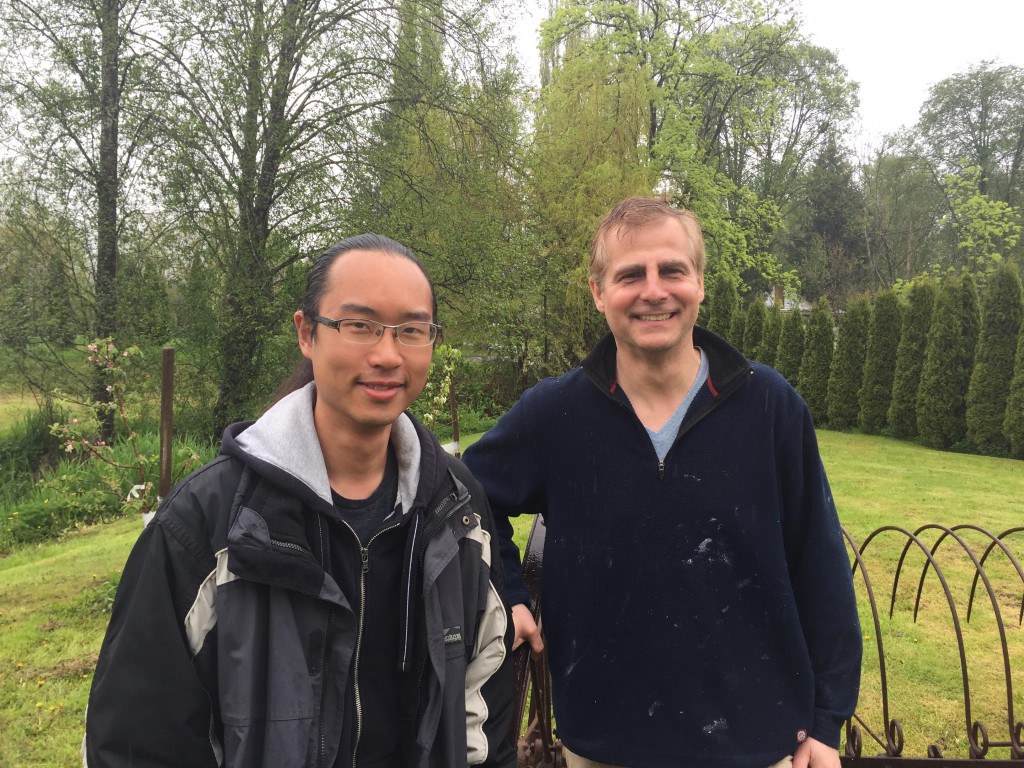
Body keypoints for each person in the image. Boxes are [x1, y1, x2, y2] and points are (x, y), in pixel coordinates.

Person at [84, 234, 516, 768]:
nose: (387, 354)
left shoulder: (457, 506)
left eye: (411, 330)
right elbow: (137, 737)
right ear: (306, 333)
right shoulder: (210, 523)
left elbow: (485, 690)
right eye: (359, 326)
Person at [463, 198, 861, 768]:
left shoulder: (771, 408)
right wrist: (508, 591)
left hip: (758, 742)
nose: (654, 291)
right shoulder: (555, 415)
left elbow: (820, 566)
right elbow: (468, 494)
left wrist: (826, 724)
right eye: (630, 275)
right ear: (599, 293)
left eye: (672, 270)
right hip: (604, 743)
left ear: (700, 284)